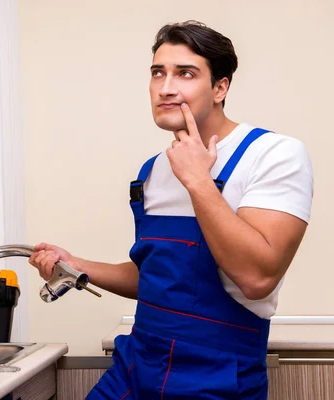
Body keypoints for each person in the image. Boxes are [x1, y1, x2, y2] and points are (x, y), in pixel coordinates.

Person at [28, 20, 313, 399]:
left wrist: (198, 181)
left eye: (186, 73)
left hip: (218, 376)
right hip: (137, 365)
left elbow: (257, 279)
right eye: (157, 73)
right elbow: (161, 276)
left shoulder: (274, 155)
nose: (165, 88)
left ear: (220, 87)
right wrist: (78, 265)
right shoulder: (152, 171)